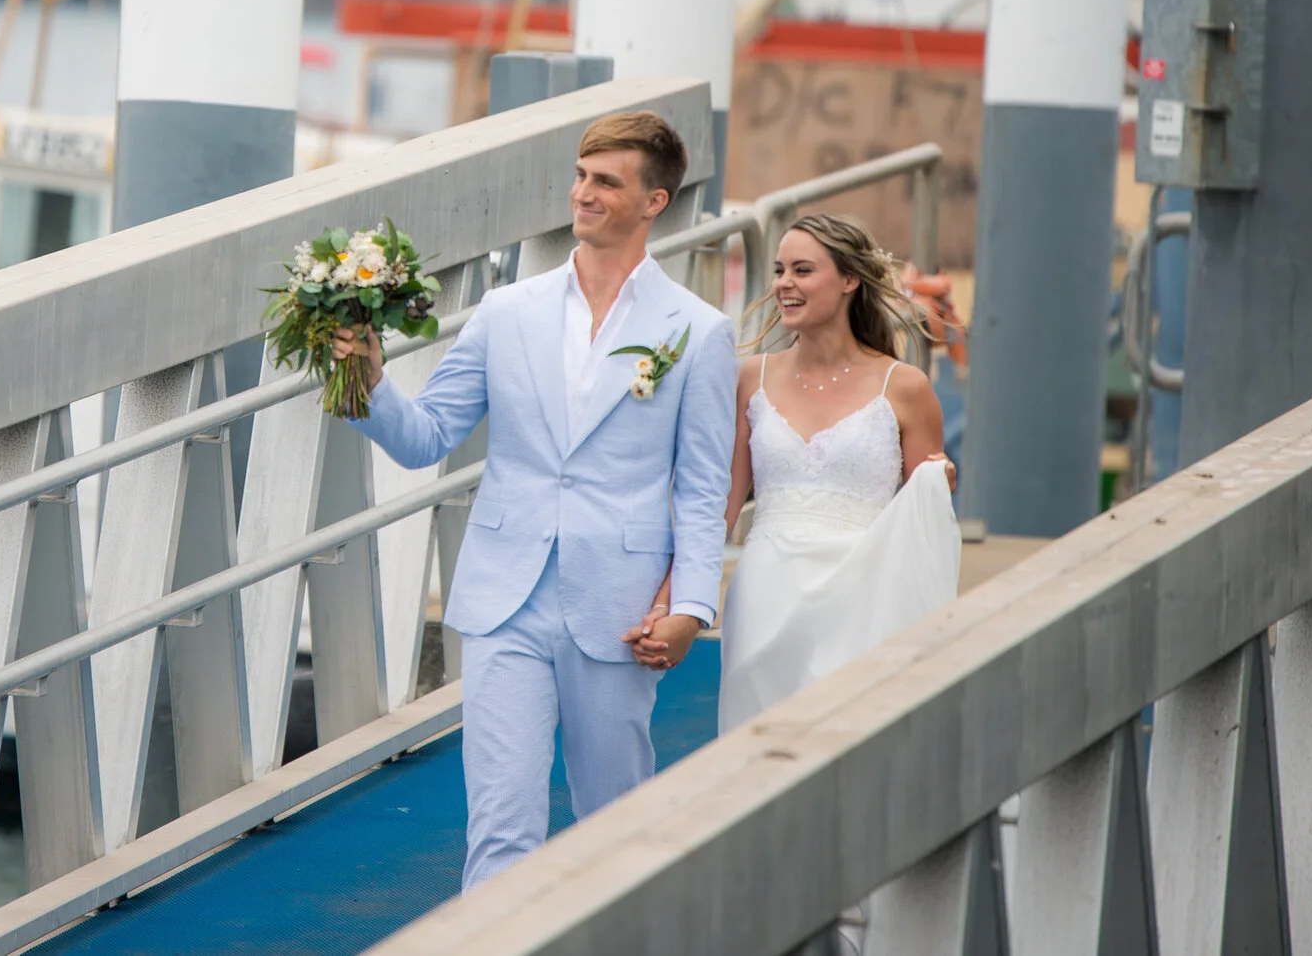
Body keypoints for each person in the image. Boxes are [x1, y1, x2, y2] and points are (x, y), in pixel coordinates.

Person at [333, 110, 736, 892]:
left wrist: (691, 605)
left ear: (654, 201)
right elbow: (425, 436)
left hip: (619, 611)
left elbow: (701, 486)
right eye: (581, 175)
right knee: (501, 828)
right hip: (503, 600)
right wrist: (366, 379)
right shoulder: (506, 310)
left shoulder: (698, 330)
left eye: (606, 181)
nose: (583, 193)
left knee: (612, 830)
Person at [695, 212, 961, 733]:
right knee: (757, 742)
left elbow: (925, 521)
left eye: (802, 270)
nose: (784, 284)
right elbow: (721, 504)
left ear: (849, 281)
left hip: (866, 597)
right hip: (765, 594)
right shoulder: (750, 378)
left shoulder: (905, 386)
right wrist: (677, 598)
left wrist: (938, 481)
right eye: (779, 271)